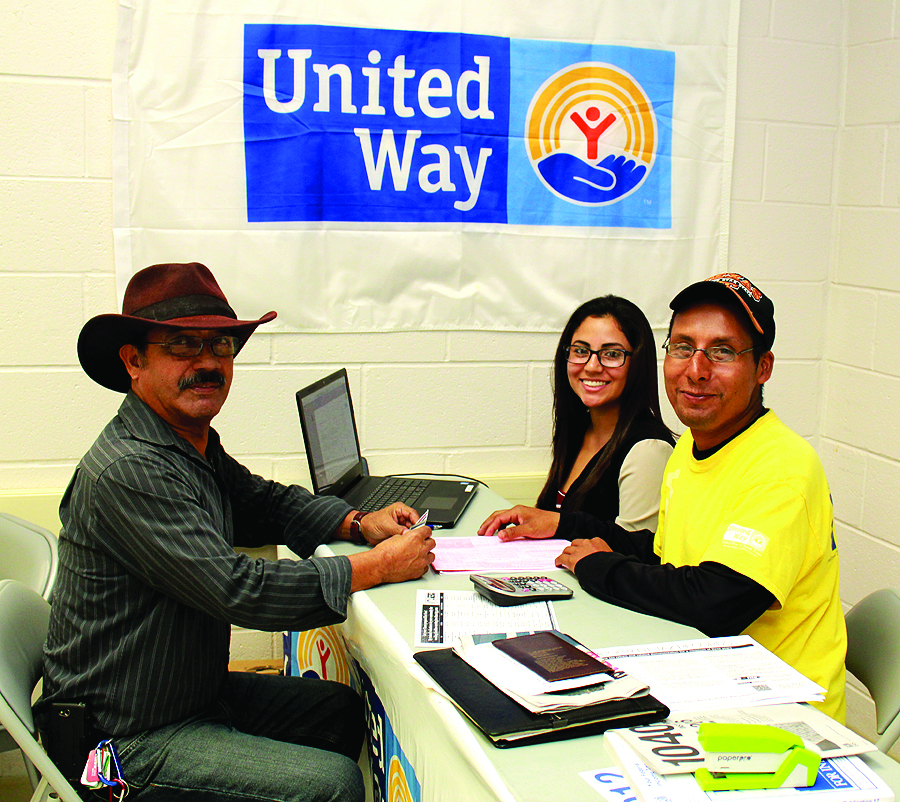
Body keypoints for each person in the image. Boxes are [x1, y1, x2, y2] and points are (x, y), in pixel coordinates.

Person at [38, 262, 436, 801]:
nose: (207, 363)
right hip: (119, 741)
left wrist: (358, 522)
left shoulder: (187, 441)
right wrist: (380, 566)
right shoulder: (130, 469)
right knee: (332, 786)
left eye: (219, 345)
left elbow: (263, 503)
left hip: (187, 697)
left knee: (338, 712)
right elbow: (238, 589)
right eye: (182, 345)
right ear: (134, 361)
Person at [481, 274, 846, 721]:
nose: (696, 369)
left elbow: (715, 602)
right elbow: (658, 553)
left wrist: (599, 567)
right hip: (702, 674)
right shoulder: (691, 446)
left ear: (763, 368)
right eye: (683, 347)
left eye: (722, 351)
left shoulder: (781, 469)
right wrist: (565, 526)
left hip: (779, 711)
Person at [534, 295, 675, 530]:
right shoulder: (579, 429)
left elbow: (632, 547)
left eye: (612, 354)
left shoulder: (650, 450)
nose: (592, 366)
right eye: (581, 351)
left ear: (638, 363)